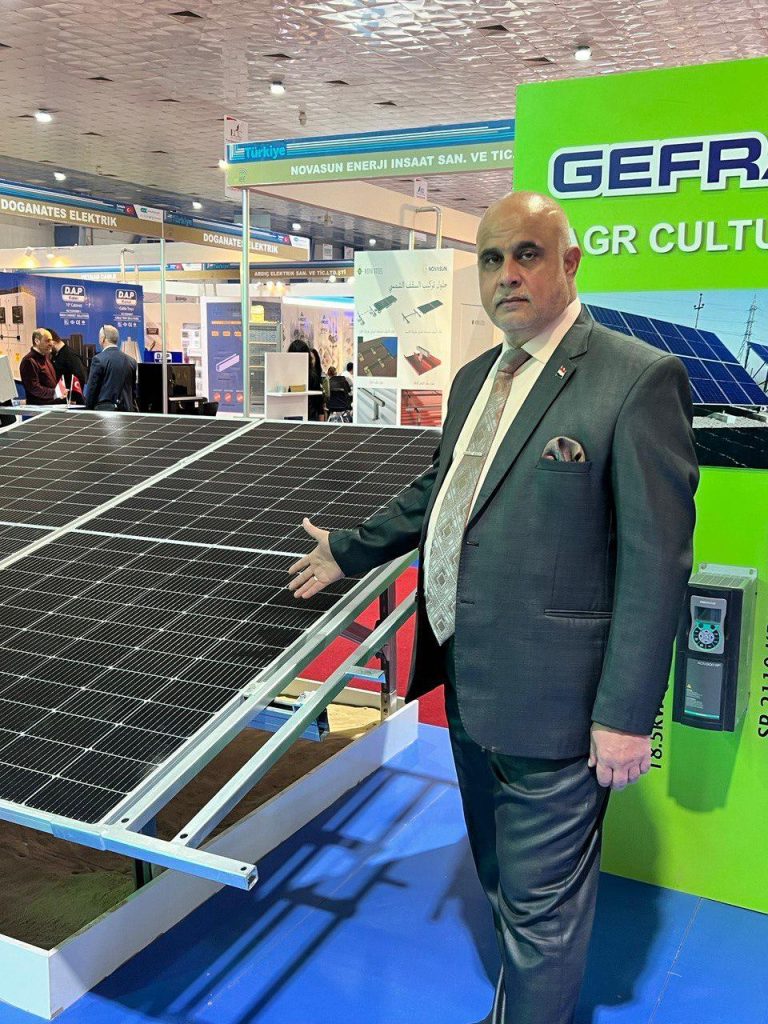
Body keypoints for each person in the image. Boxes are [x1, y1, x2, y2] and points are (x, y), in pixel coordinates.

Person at [288, 191, 699, 1024]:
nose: (506, 274)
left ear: (570, 264)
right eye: (489, 258)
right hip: (468, 685)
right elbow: (442, 493)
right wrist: (350, 548)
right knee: (502, 877)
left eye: (527, 254)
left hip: (560, 705)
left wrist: (627, 717)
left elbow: (657, 567)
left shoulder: (636, 379)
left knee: (543, 910)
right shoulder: (478, 377)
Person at [84, 324, 138, 412]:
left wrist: (87, 410)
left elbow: (91, 390)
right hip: (127, 411)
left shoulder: (98, 359)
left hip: (105, 412)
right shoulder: (131, 361)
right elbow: (133, 392)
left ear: (102, 339)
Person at [19, 328, 67, 405]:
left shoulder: (46, 357)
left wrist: (59, 392)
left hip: (51, 404)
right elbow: (34, 388)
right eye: (47, 341)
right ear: (37, 341)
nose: (51, 344)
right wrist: (55, 392)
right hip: (39, 407)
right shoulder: (28, 361)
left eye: (51, 340)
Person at [47, 328, 89, 402]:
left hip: (71, 402)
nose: (48, 348)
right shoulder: (56, 356)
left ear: (53, 342)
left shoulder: (70, 355)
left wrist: (73, 397)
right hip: (61, 399)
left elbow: (80, 377)